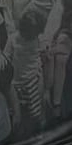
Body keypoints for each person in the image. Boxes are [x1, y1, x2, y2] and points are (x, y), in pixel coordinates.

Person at [6, 7, 47, 137]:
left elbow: (45, 51)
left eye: (32, 35)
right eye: (27, 35)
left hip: (34, 79)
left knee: (37, 111)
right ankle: (21, 132)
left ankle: (42, 132)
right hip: (16, 81)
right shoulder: (13, 39)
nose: (29, 38)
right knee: (17, 114)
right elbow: (6, 55)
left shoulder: (40, 39)